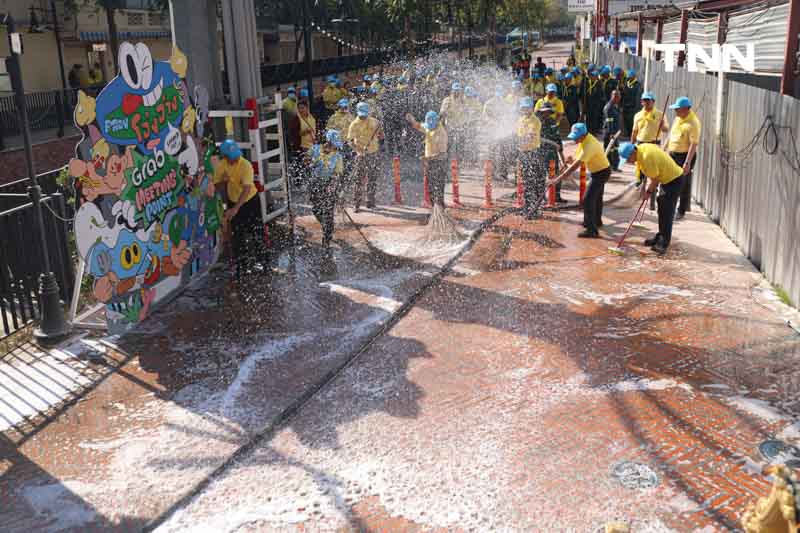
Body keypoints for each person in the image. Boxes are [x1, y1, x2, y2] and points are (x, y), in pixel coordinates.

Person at [618, 142, 685, 255]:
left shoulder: (646, 158)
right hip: (668, 178)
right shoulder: (641, 149)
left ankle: (663, 243)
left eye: (628, 159)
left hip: (674, 180)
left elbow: (655, 178)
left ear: (633, 152)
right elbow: (650, 174)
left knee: (666, 211)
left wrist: (648, 192)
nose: (628, 162)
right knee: (662, 208)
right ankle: (660, 236)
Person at [550, 123, 611, 238]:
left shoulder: (590, 145)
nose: (575, 139)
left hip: (601, 173)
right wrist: (570, 159)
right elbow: (577, 157)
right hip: (598, 170)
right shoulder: (584, 141)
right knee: (597, 198)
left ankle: (591, 230)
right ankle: (596, 222)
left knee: (587, 199)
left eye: (576, 137)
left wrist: (558, 179)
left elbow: (575, 166)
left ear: (583, 135)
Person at [213, 139, 261, 280]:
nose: (235, 159)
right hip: (233, 201)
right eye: (231, 157)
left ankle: (264, 263)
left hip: (250, 201)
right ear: (225, 157)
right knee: (237, 235)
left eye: (236, 155)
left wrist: (235, 209)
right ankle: (242, 267)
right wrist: (224, 181)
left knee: (256, 232)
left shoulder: (246, 165)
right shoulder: (222, 166)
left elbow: (246, 190)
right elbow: (217, 186)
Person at [666, 96, 701, 220]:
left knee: (682, 183)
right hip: (673, 154)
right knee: (670, 181)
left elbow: (694, 144)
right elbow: (671, 135)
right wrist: (665, 149)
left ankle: (681, 210)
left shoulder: (693, 122)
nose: (675, 111)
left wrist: (687, 162)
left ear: (685, 109)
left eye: (677, 109)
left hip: (684, 156)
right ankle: (669, 206)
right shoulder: (678, 118)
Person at [309, 130, 345, 251]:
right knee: (316, 209)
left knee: (328, 212)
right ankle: (326, 225)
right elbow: (305, 160)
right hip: (315, 183)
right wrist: (311, 163)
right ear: (328, 141)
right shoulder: (315, 149)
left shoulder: (338, 156)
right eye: (334, 143)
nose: (335, 146)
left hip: (329, 184)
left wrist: (332, 185)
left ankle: (327, 239)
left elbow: (337, 173)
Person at [406, 111, 448, 207]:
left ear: (437, 122)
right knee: (430, 186)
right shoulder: (429, 127)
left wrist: (428, 158)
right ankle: (434, 206)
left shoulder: (441, 134)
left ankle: (440, 206)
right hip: (429, 162)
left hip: (439, 162)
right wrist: (412, 120)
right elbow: (419, 126)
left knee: (439, 185)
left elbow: (443, 154)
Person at [348, 102, 384, 211]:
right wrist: (358, 149)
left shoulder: (375, 122)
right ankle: (356, 203)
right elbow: (350, 141)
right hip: (361, 156)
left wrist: (379, 140)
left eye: (364, 114)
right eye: (361, 114)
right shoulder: (354, 124)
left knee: (372, 178)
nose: (362, 116)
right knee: (358, 179)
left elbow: (381, 136)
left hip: (374, 153)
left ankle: (370, 202)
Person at [516, 97, 543, 219]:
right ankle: (527, 207)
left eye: (527, 107)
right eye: (523, 107)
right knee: (526, 182)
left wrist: (517, 141)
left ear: (532, 108)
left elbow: (530, 136)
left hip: (532, 153)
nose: (525, 110)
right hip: (523, 153)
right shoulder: (520, 120)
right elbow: (516, 134)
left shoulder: (535, 121)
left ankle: (534, 210)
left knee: (533, 182)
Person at [537, 102, 565, 203]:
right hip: (541, 152)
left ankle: (556, 196)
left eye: (548, 112)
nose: (546, 114)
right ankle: (541, 197)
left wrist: (561, 151)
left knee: (556, 174)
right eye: (544, 112)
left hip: (552, 153)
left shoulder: (553, 122)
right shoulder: (537, 123)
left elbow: (557, 137)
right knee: (540, 175)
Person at [440, 82, 466, 160]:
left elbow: (465, 113)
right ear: (452, 91)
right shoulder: (447, 100)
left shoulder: (462, 101)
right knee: (448, 144)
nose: (457, 92)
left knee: (460, 145)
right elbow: (442, 112)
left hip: (460, 126)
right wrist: (447, 113)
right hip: (449, 126)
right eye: (455, 90)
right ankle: (446, 160)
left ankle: (459, 161)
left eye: (458, 90)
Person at [603, 89, 622, 170]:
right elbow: (609, 122)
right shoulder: (609, 107)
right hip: (610, 132)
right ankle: (608, 166)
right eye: (616, 96)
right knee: (609, 149)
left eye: (618, 96)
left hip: (615, 132)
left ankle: (614, 166)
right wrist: (611, 134)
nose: (618, 98)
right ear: (612, 96)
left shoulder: (615, 106)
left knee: (615, 149)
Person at [621, 69, 641, 138]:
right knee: (626, 121)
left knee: (631, 122)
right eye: (628, 77)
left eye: (630, 77)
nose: (629, 78)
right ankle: (628, 134)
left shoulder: (637, 85)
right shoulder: (626, 83)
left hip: (632, 108)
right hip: (626, 106)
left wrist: (636, 108)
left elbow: (637, 98)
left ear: (633, 77)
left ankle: (631, 135)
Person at [585, 68, 605, 134]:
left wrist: (599, 106)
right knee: (588, 119)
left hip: (596, 106)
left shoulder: (599, 84)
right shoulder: (588, 83)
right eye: (591, 76)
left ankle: (594, 132)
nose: (591, 77)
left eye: (593, 76)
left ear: (596, 77)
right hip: (589, 105)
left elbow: (600, 96)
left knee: (595, 119)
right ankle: (589, 131)